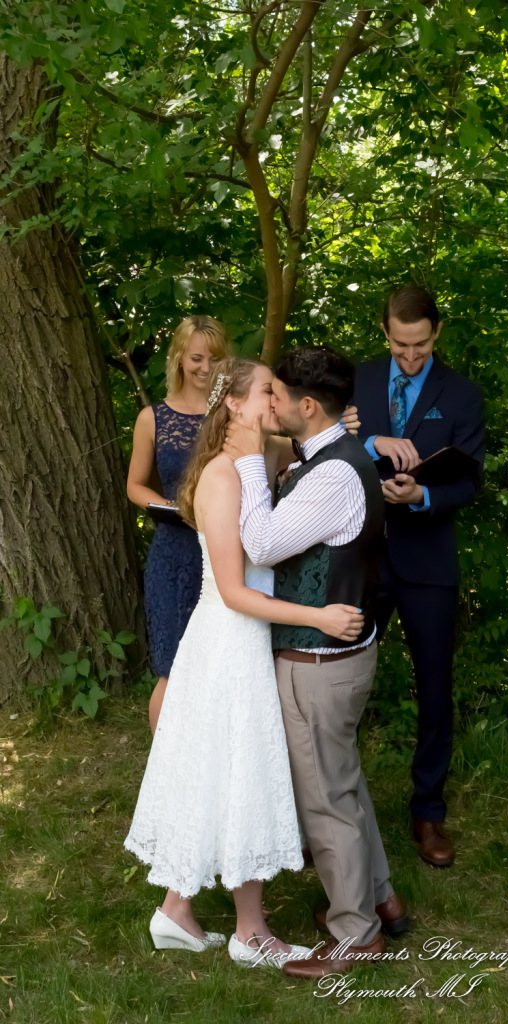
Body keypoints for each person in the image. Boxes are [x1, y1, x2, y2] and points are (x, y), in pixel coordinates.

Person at [124, 357, 365, 968]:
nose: (278, 402)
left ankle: (177, 910)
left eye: (282, 394)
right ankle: (249, 931)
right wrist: (320, 617)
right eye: (267, 392)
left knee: (222, 774)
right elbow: (233, 590)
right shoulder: (222, 477)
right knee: (240, 776)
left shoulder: (262, 458)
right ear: (233, 403)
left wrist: (362, 432)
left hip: (246, 638)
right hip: (229, 639)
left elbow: (311, 440)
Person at [223, 346, 409, 981]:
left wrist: (249, 462)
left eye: (274, 394)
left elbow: (264, 544)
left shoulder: (332, 475)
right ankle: (379, 897)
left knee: (325, 798)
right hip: (339, 655)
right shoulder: (329, 460)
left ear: (306, 406)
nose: (266, 403)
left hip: (320, 663)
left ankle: (354, 933)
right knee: (344, 781)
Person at [353, 285, 485, 867]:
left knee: (434, 689)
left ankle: (428, 811)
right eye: (400, 345)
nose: (410, 357)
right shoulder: (354, 381)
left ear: (437, 333)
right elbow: (315, 446)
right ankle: (331, 810)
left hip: (428, 561)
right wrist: (367, 440)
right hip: (359, 555)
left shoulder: (461, 395)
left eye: (421, 345)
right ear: (385, 332)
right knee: (337, 687)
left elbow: (469, 482)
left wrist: (422, 492)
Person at [127, 315, 231, 732]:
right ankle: (163, 781)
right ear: (179, 360)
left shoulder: (231, 413)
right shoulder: (153, 418)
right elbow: (134, 485)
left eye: (216, 358)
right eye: (197, 358)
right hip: (173, 552)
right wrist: (166, 505)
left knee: (217, 667)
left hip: (222, 552)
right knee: (172, 669)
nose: (206, 368)